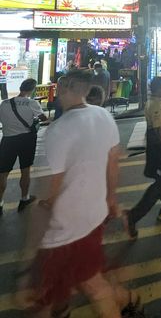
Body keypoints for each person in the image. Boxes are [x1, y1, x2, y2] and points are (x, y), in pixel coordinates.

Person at [27, 70, 142, 317]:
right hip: (93, 216)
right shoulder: (102, 116)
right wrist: (111, 200)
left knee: (91, 286)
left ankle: (127, 300)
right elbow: (114, 162)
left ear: (63, 90)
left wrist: (35, 232)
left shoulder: (57, 130)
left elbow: (50, 190)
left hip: (65, 228)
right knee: (81, 282)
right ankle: (127, 299)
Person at [123, 76, 161, 240]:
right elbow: (160, 132)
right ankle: (133, 216)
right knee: (160, 184)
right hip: (160, 150)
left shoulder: (155, 102)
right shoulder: (156, 105)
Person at [0, 78, 46, 215]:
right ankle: (24, 198)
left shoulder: (4, 103)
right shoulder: (32, 103)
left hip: (8, 140)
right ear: (33, 90)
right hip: (26, 140)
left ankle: (0, 203)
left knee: (3, 173)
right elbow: (43, 118)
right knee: (25, 170)